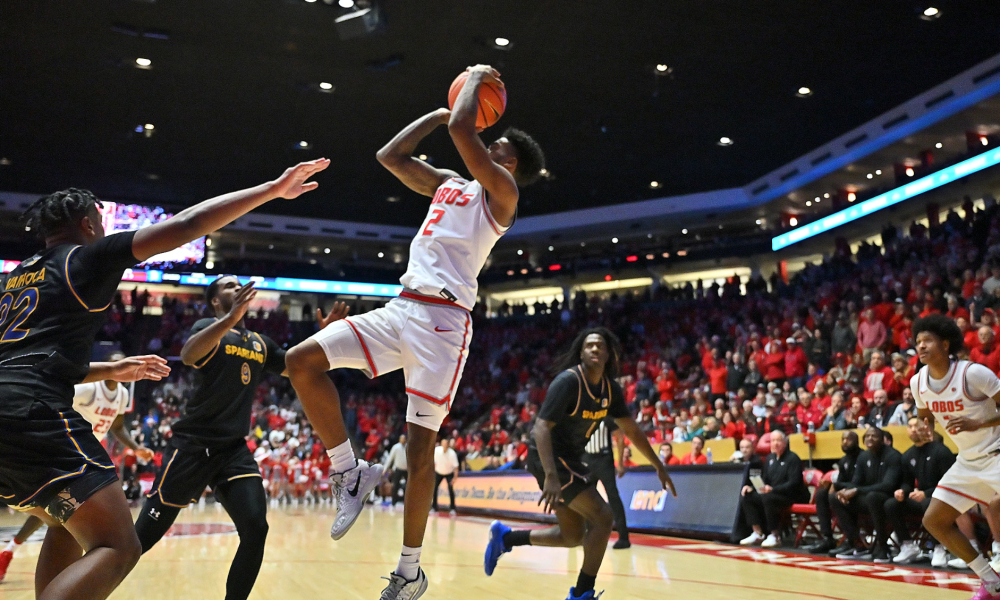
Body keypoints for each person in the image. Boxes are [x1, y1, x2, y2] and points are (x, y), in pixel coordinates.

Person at [0, 159, 326, 600]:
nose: (103, 225)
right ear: (87, 225)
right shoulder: (87, 256)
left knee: (66, 523)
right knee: (120, 545)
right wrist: (271, 189)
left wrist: (110, 369)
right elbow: (188, 224)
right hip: (34, 410)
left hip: (13, 401)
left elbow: (24, 358)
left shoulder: (18, 277)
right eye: (100, 218)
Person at [283, 64, 546, 600]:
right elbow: (391, 157)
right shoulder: (452, 186)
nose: (485, 146)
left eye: (493, 145)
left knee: (419, 449)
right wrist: (440, 111)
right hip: (402, 306)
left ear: (509, 163)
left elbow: (462, 133)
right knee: (300, 361)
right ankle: (349, 471)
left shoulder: (502, 194)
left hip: (444, 324)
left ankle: (409, 570)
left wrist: (473, 77)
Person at [134, 276, 344, 600]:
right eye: (229, 285)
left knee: (256, 528)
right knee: (139, 542)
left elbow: (299, 366)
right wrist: (229, 320)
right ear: (217, 302)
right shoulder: (208, 327)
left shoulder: (260, 343)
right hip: (192, 445)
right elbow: (190, 355)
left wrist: (325, 336)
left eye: (239, 283)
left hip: (232, 449)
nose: (238, 286)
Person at [483, 328, 674, 600]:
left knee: (572, 536)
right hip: (547, 456)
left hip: (571, 458)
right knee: (603, 516)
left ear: (608, 353)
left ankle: (505, 538)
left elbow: (631, 429)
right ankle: (582, 594)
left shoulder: (610, 389)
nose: (595, 349)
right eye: (589, 346)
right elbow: (540, 428)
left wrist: (658, 464)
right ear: (581, 353)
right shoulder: (568, 382)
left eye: (600, 345)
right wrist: (550, 475)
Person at [0, 352, 160, 582]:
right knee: (111, 540)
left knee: (58, 517)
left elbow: (117, 427)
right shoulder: (89, 388)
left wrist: (136, 448)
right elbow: (55, 403)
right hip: (64, 450)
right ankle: (11, 552)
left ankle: (13, 554)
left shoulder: (122, 395)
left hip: (89, 455)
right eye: (114, 361)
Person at [912, 314, 1000, 599]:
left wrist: (980, 423)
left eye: (928, 340)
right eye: (918, 342)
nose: (921, 346)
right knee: (934, 520)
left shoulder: (972, 373)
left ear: (945, 343)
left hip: (997, 452)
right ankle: (992, 581)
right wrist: (928, 428)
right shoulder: (918, 383)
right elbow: (924, 413)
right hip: (968, 459)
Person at [888, 416, 956, 564]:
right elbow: (907, 483)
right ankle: (908, 546)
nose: (913, 429)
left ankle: (940, 547)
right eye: (910, 426)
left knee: (928, 503)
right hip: (922, 498)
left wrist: (926, 493)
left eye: (916, 426)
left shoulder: (941, 451)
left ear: (926, 428)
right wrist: (903, 492)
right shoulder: (907, 455)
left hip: (946, 498)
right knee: (891, 504)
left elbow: (951, 482)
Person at [831, 427, 903, 563]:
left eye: (874, 436)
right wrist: (845, 492)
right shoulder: (863, 457)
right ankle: (857, 544)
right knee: (835, 498)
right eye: (867, 436)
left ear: (882, 440)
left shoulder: (893, 456)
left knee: (873, 497)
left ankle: (883, 548)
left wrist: (857, 490)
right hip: (868, 496)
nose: (870, 438)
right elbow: (856, 482)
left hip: (888, 497)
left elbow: (888, 485)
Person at [738, 430, 809, 548]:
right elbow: (764, 479)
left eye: (778, 440)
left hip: (791, 495)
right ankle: (757, 532)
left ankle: (775, 535)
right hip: (773, 493)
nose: (775, 443)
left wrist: (773, 489)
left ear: (785, 443)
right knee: (747, 496)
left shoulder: (793, 458)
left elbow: (794, 483)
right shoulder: (770, 458)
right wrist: (753, 488)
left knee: (768, 498)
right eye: (773, 441)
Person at [804, 431, 861, 554]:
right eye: (843, 439)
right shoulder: (843, 460)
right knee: (821, 494)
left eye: (848, 439)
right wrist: (829, 485)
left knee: (833, 497)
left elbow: (857, 483)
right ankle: (828, 538)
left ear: (856, 442)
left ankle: (852, 540)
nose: (845, 442)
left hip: (859, 492)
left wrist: (835, 485)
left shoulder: (862, 457)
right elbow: (841, 482)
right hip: (846, 492)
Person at [582, 415, 631, 549]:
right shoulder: (581, 416)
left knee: (613, 496)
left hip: (604, 460)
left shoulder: (606, 417)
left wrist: (620, 464)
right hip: (586, 461)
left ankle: (624, 537)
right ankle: (587, 534)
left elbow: (620, 439)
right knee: (586, 498)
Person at [432, 438, 459, 514]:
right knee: (434, 488)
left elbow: (456, 467)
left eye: (446, 444)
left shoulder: (452, 453)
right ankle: (434, 507)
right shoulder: (437, 450)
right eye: (443, 444)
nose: (445, 445)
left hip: (449, 473)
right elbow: (432, 462)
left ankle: (452, 508)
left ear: (448, 445)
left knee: (450, 489)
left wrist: (455, 478)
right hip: (439, 472)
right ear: (441, 444)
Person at [386, 434, 408, 507]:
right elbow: (390, 459)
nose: (403, 440)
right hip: (398, 469)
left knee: (408, 486)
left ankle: (407, 503)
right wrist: (385, 469)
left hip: (406, 470)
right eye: (402, 439)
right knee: (395, 486)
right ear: (399, 439)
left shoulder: (408, 447)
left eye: (404, 439)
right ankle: (393, 502)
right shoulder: (396, 447)